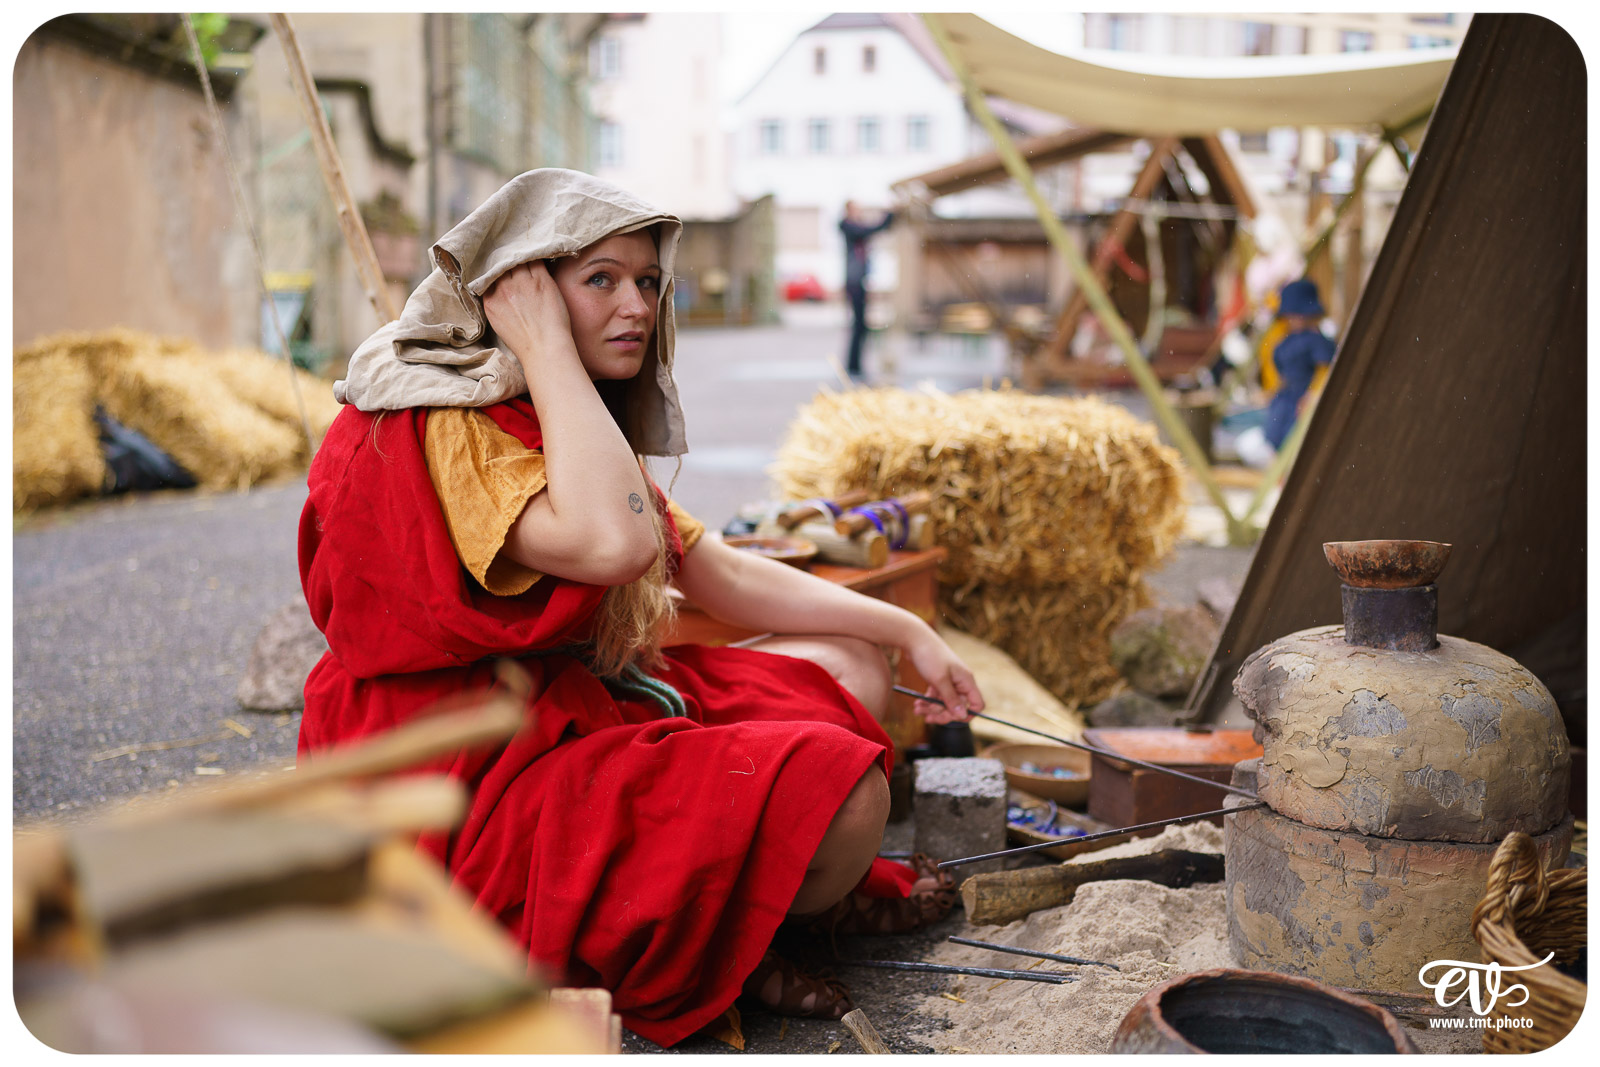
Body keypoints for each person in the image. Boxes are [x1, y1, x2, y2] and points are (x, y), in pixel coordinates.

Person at [297, 170, 984, 1048]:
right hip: (461, 760)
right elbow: (616, 547)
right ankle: (735, 942)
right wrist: (545, 347)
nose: (638, 306)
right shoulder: (455, 419)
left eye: (650, 281)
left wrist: (907, 629)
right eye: (602, 280)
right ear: (525, 291)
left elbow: (707, 567)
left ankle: (752, 911)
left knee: (852, 660)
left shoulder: (554, 405)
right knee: (848, 792)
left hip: (569, 702)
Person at [1261, 278, 1336, 452]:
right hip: (1286, 395)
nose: (1293, 320)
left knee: (1296, 438)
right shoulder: (1285, 338)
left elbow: (1324, 369)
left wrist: (1313, 394)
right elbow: (1274, 361)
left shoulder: (1315, 340)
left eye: (1297, 315)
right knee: (1275, 433)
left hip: (1303, 395)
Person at [839, 200, 895, 381]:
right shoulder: (847, 226)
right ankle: (853, 367)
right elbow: (870, 230)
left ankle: (855, 366)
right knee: (859, 325)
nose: (859, 212)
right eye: (856, 209)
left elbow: (874, 229)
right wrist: (888, 215)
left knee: (862, 326)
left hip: (859, 281)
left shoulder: (854, 227)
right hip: (854, 282)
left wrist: (889, 218)